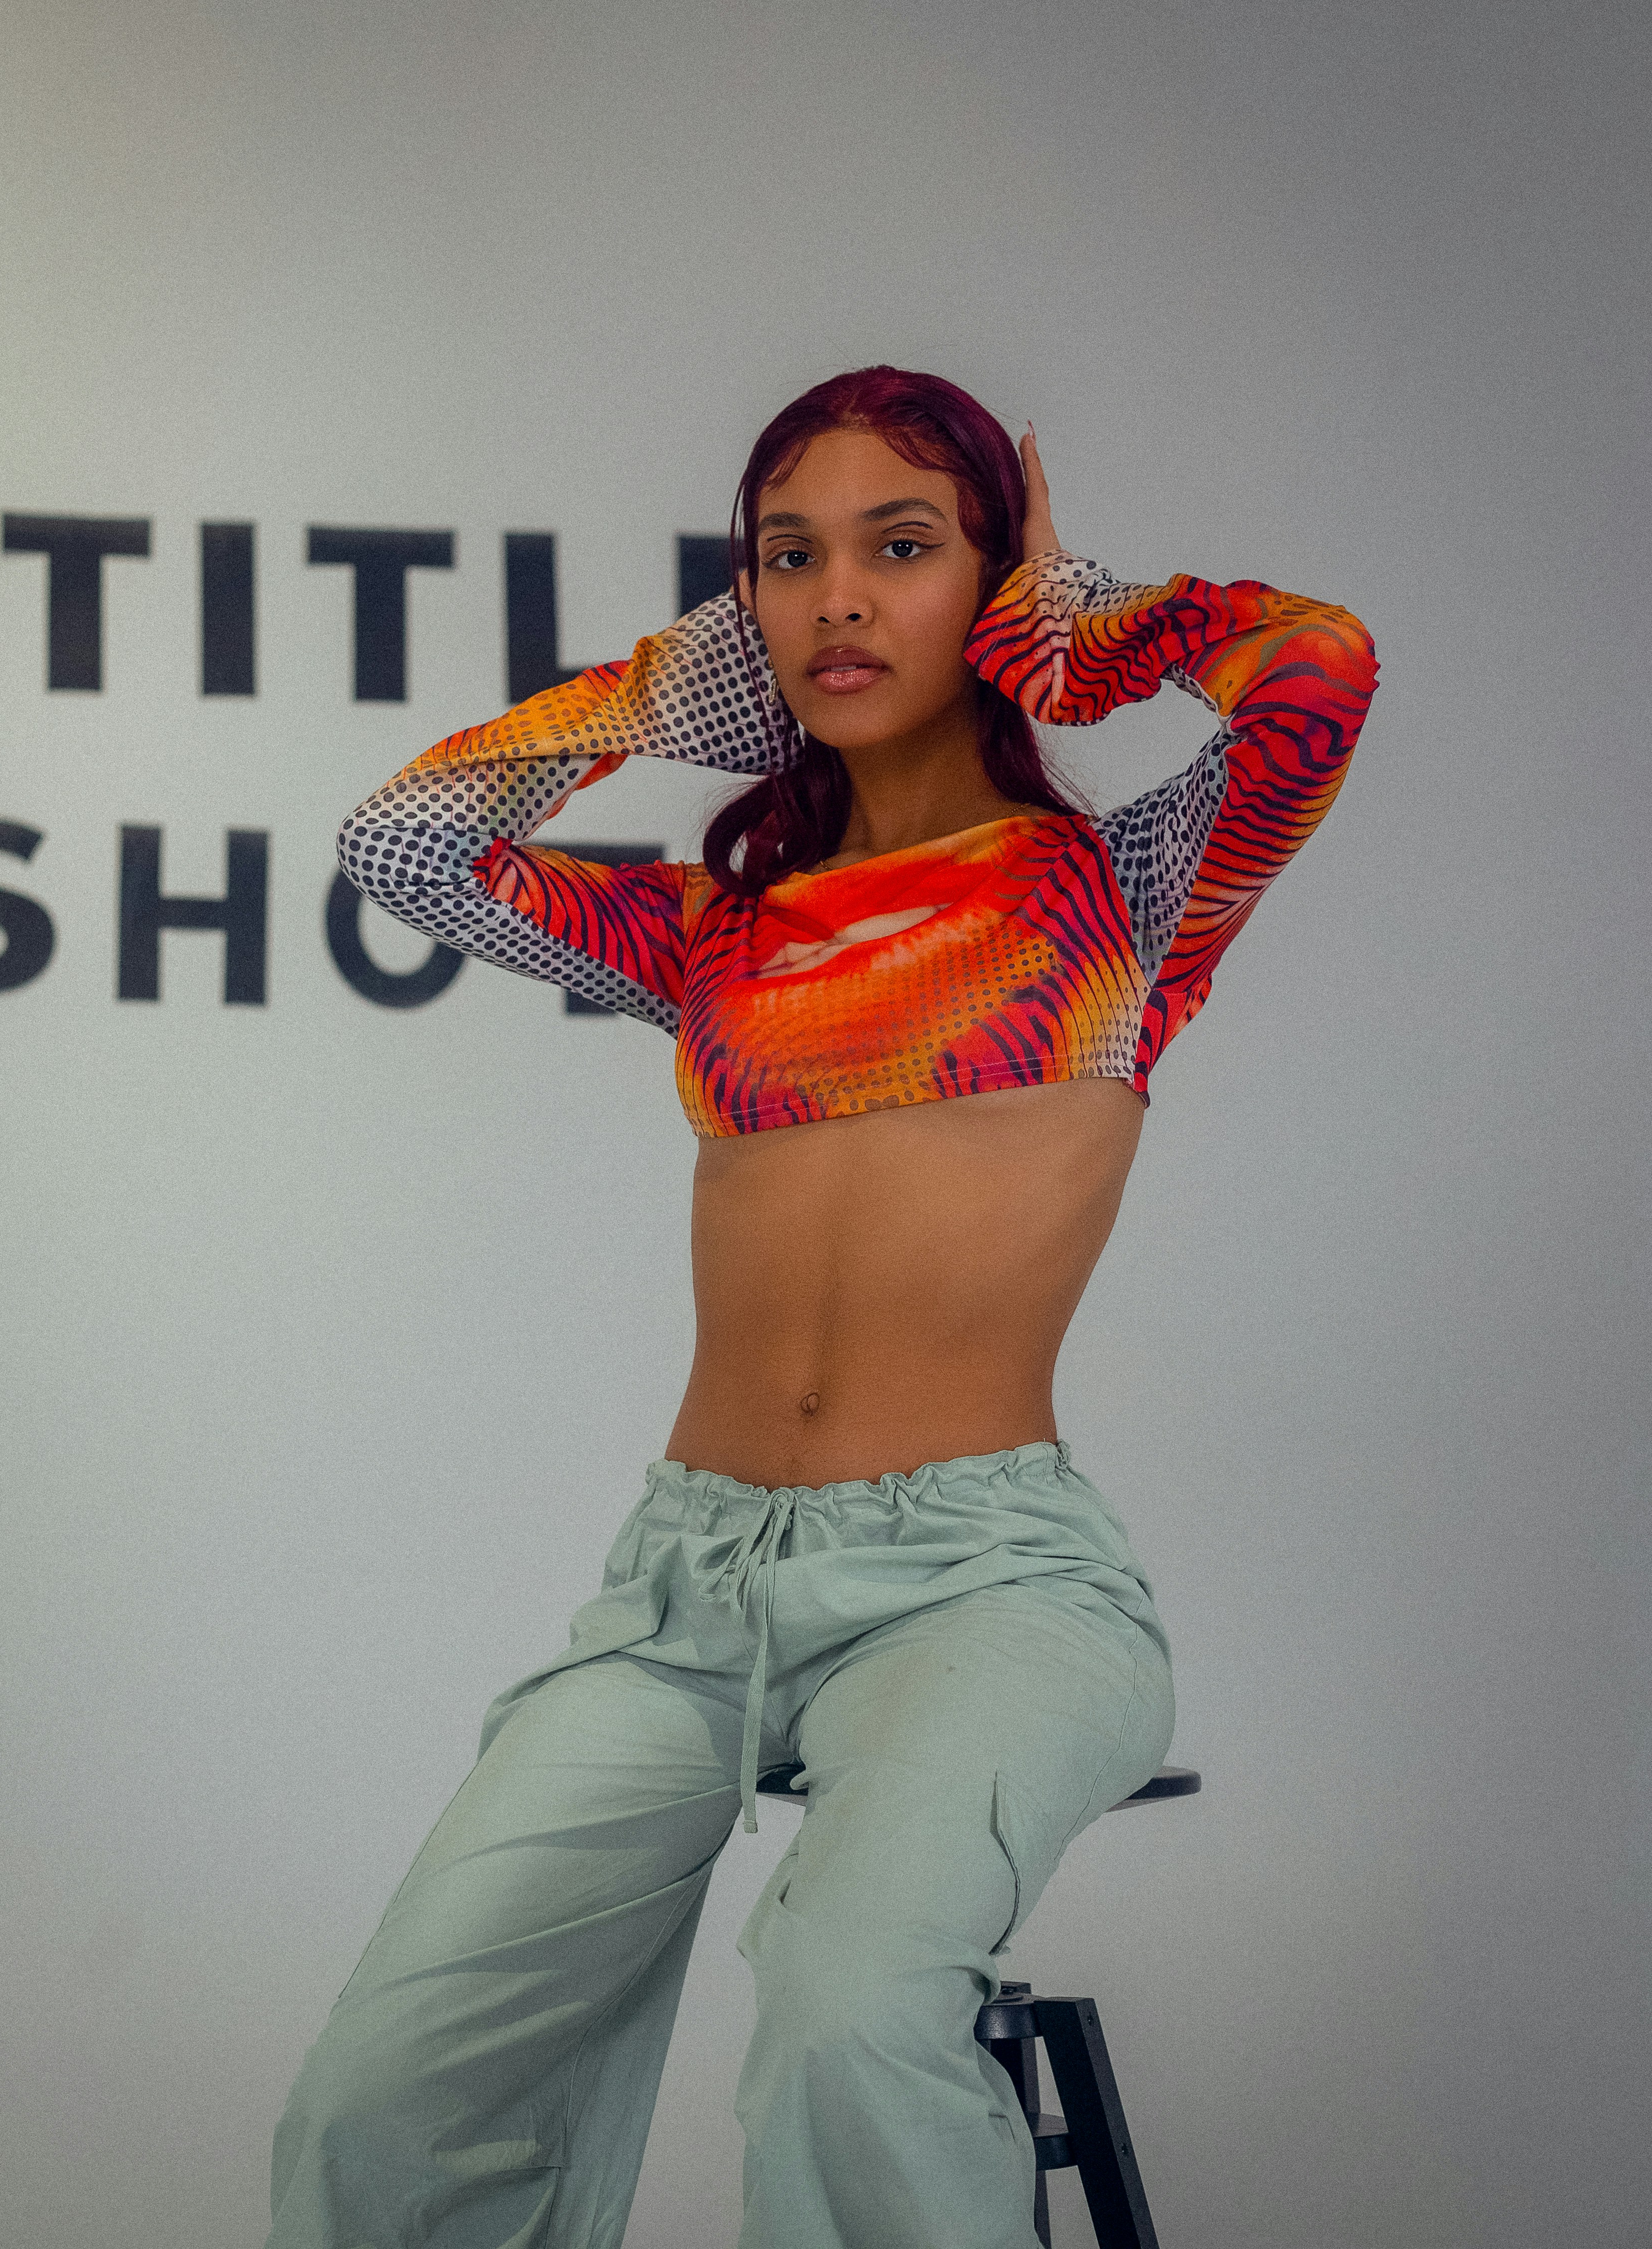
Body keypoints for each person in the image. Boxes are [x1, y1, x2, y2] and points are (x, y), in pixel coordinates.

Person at [270, 365, 1378, 2249]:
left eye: (904, 547)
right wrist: (648, 694)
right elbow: (402, 851)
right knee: (381, 2098)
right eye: (791, 561)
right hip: (682, 1598)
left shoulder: (1118, 891)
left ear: (993, 585)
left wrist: (1082, 630)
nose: (839, 600)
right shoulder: (722, 932)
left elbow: (1318, 671)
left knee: (850, 2021)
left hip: (988, 1587)